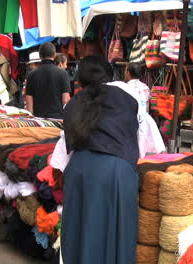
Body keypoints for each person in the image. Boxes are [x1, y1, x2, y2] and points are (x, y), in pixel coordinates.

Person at [62, 56, 140, 264]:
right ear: (110, 74)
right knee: (118, 238)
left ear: (80, 78)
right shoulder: (128, 98)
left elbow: (63, 151)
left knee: (81, 236)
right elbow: (141, 140)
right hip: (117, 170)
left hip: (79, 170)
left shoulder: (73, 103)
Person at [26, 43, 71, 118]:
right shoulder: (63, 73)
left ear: (40, 56)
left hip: (39, 119)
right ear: (54, 55)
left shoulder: (32, 75)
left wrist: (31, 119)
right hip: (57, 119)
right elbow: (66, 100)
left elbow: (29, 102)